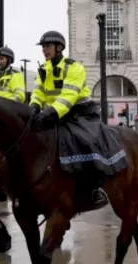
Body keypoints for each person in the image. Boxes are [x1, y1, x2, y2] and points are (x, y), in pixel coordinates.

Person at [29, 30, 111, 210]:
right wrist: (33, 107)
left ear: (59, 48)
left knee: (87, 140)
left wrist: (50, 112)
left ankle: (97, 186)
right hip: (54, 115)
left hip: (80, 113)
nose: (45, 50)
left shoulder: (74, 67)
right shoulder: (44, 69)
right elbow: (38, 92)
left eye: (48, 46)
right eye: (43, 47)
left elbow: (69, 95)